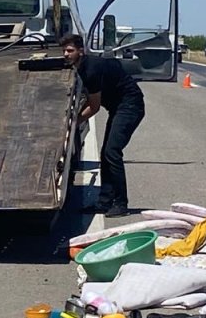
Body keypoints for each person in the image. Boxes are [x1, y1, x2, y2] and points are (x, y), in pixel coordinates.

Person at [60, 34, 145, 217]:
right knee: (106, 153)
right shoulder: (81, 67)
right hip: (117, 107)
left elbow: (94, 107)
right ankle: (104, 202)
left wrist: (72, 124)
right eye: (64, 51)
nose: (66, 54)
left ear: (81, 51)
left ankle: (121, 204)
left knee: (112, 152)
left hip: (131, 106)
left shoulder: (90, 70)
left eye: (70, 50)